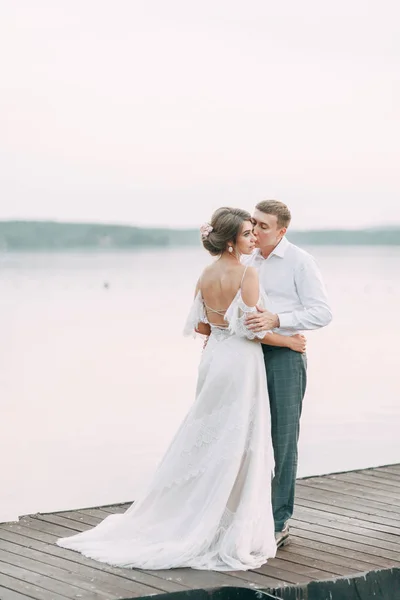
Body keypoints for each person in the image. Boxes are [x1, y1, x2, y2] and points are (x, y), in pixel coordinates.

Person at [56, 207, 306, 571]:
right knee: (239, 439)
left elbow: (202, 328)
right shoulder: (247, 273)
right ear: (233, 239)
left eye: (256, 231)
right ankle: (226, 521)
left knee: (210, 433)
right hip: (240, 361)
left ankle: (198, 508)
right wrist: (289, 343)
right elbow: (252, 328)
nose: (253, 237)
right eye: (248, 233)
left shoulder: (205, 274)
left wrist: (225, 331)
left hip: (215, 359)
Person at [243, 200, 332, 548]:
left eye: (264, 225)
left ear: (282, 231)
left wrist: (278, 321)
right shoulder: (246, 257)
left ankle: (279, 520)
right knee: (246, 434)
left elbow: (322, 312)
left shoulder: (300, 261)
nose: (256, 230)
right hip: (246, 355)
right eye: (253, 223)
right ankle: (247, 514)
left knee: (283, 438)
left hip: (284, 356)